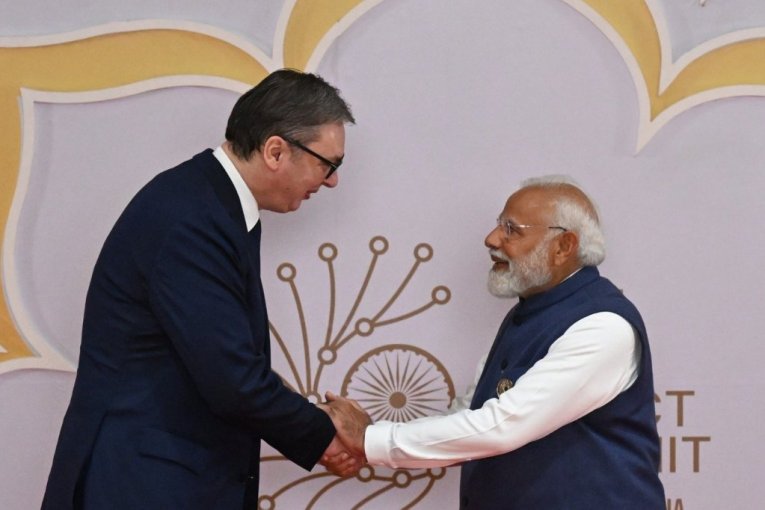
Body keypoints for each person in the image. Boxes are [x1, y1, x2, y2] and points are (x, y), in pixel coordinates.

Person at [42, 69, 366, 510]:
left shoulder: (208, 203)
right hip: (140, 485)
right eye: (328, 164)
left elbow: (221, 357)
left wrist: (313, 420)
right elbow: (232, 379)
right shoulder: (192, 220)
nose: (331, 181)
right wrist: (326, 433)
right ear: (275, 151)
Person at [324, 176, 666, 509]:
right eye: (499, 225)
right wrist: (369, 437)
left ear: (564, 246)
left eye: (511, 229)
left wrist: (369, 440)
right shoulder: (529, 311)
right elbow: (471, 413)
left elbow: (502, 426)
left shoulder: (602, 325)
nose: (491, 239)